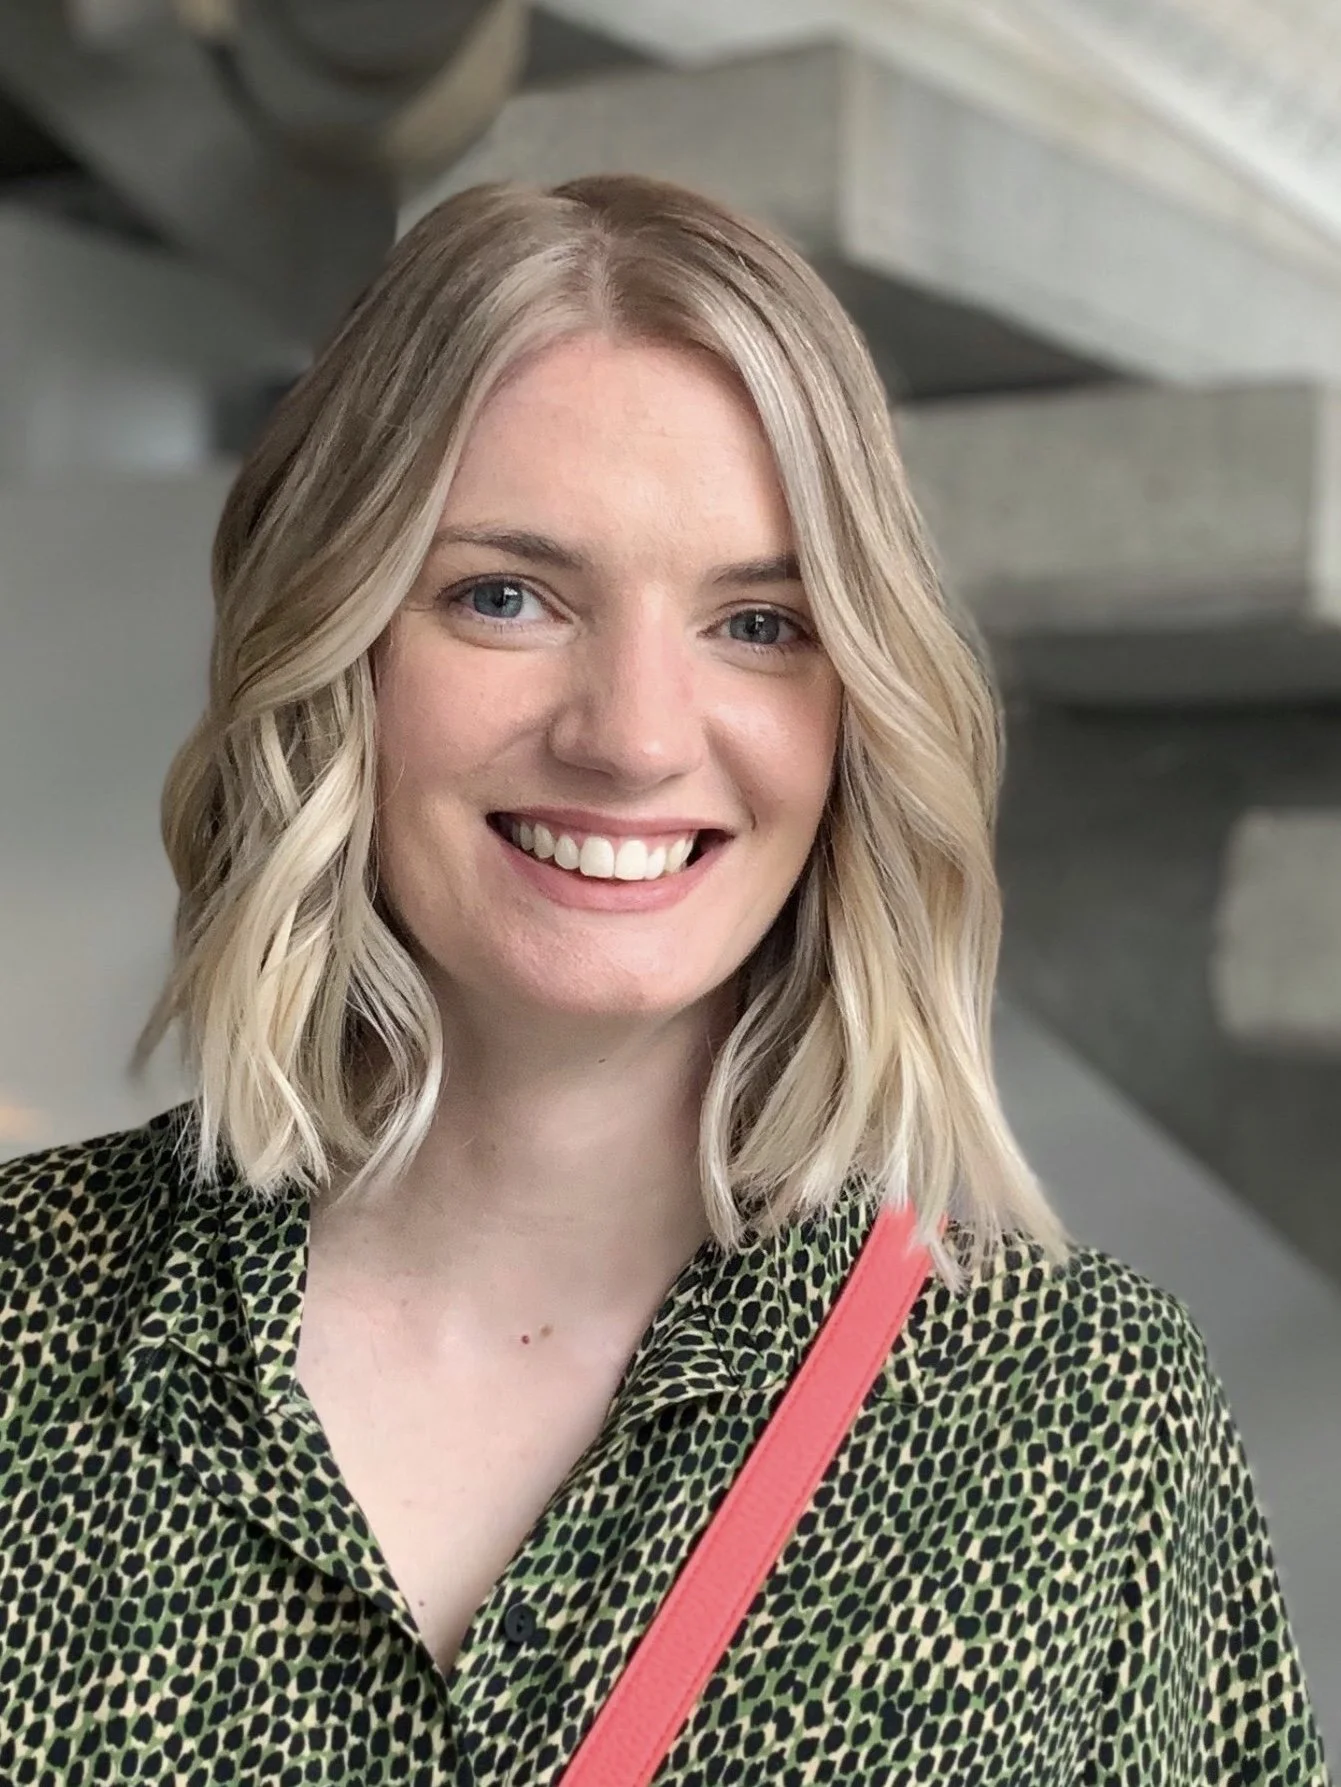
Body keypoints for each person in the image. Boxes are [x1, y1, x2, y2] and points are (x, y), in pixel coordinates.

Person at [0, 174, 1328, 1787]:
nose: (632, 734)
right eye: (506, 595)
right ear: (334, 647)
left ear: (859, 710)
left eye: (760, 622)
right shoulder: (30, 1330)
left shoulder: (1081, 1423)